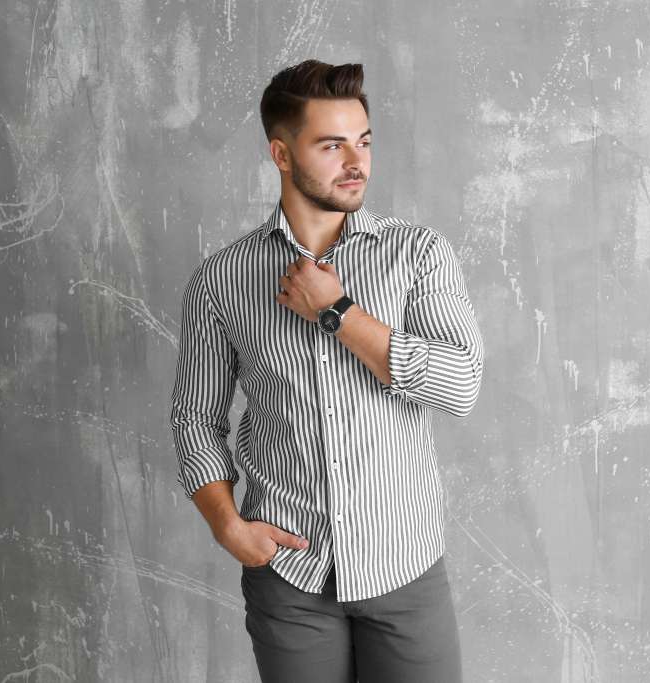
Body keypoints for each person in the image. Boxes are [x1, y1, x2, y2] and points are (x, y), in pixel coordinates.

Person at [170, 58, 484, 682]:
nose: (356, 161)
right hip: (290, 575)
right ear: (281, 155)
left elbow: (461, 385)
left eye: (363, 142)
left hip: (404, 566)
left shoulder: (416, 255)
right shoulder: (222, 279)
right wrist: (228, 527)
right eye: (332, 145)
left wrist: (337, 312)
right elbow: (195, 418)